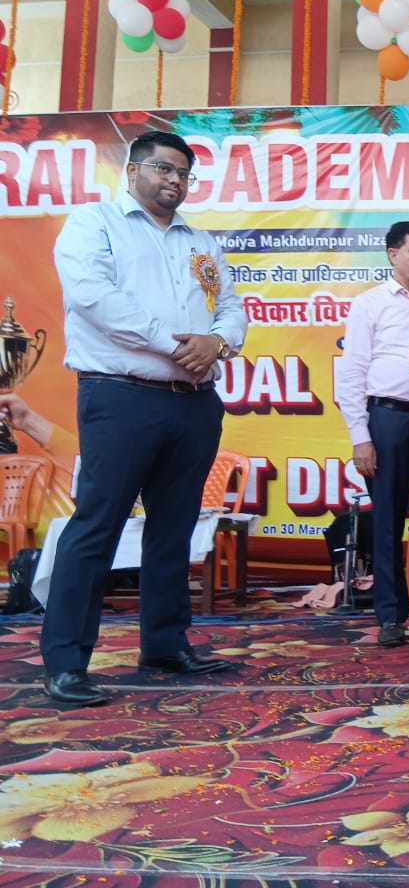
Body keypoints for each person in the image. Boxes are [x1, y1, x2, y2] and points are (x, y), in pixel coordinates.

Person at [41, 129, 247, 706]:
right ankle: (65, 662)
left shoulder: (199, 242)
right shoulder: (94, 222)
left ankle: (164, 644)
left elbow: (232, 307)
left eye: (183, 173)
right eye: (163, 168)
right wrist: (174, 343)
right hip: (120, 396)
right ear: (132, 171)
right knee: (97, 526)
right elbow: (93, 297)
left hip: (194, 402)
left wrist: (216, 343)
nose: (174, 180)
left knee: (175, 528)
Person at [336, 221, 409, 649]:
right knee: (389, 521)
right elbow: (352, 372)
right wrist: (361, 436)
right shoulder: (370, 304)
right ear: (393, 254)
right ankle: (392, 616)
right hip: (388, 419)